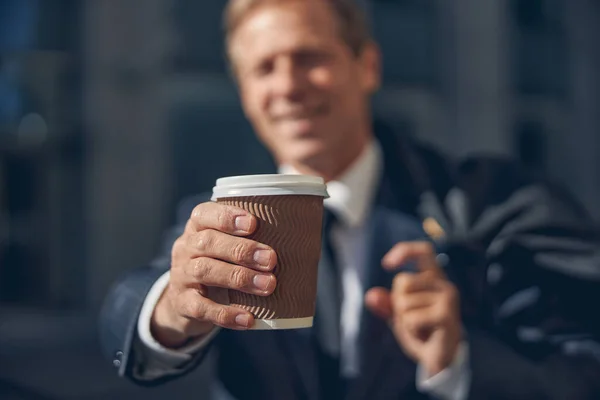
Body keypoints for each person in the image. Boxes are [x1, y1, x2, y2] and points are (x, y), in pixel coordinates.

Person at [99, 0, 600, 399]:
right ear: (245, 93)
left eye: (309, 57)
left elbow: (582, 368)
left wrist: (461, 363)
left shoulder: (495, 200)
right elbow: (129, 310)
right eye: (263, 69)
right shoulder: (222, 219)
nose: (288, 86)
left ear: (368, 66)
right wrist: (171, 309)